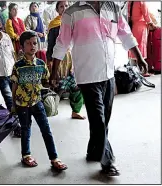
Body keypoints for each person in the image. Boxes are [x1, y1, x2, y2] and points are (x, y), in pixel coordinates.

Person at [50, 1, 148, 176]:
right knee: (98, 119)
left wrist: (140, 58)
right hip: (87, 75)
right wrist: (53, 72)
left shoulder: (113, 8)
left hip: (108, 73)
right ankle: (107, 161)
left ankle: (94, 150)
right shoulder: (72, 12)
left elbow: (125, 34)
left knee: (104, 119)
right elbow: (62, 43)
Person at [10, 31, 67, 170]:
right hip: (22, 105)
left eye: (34, 43)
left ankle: (54, 158)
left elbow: (45, 82)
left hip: (37, 102)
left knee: (46, 130)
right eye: (28, 44)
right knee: (25, 130)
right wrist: (13, 105)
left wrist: (52, 82)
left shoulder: (41, 64)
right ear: (22, 47)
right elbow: (14, 86)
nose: (32, 46)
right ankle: (26, 155)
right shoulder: (18, 66)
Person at [47, 1, 85, 120]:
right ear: (57, 10)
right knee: (58, 86)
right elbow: (51, 45)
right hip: (59, 59)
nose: (65, 8)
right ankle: (50, 110)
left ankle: (76, 111)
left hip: (72, 58)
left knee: (77, 86)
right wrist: (50, 62)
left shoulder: (75, 21)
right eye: (61, 6)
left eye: (67, 6)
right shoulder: (54, 25)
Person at [128, 1, 156, 72]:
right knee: (141, 47)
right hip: (141, 27)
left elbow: (128, 15)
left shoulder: (129, 2)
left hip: (132, 26)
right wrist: (150, 23)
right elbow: (146, 14)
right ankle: (142, 70)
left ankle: (135, 71)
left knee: (133, 46)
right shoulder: (141, 1)